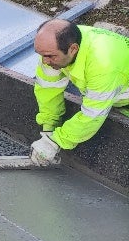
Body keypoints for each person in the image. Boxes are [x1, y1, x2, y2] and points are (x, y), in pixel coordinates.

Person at [29, 19, 129, 166]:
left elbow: (92, 116)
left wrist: (55, 142)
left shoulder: (103, 65)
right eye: (41, 54)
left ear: (73, 49)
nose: (45, 61)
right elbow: (48, 89)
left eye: (50, 56)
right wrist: (49, 127)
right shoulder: (57, 46)